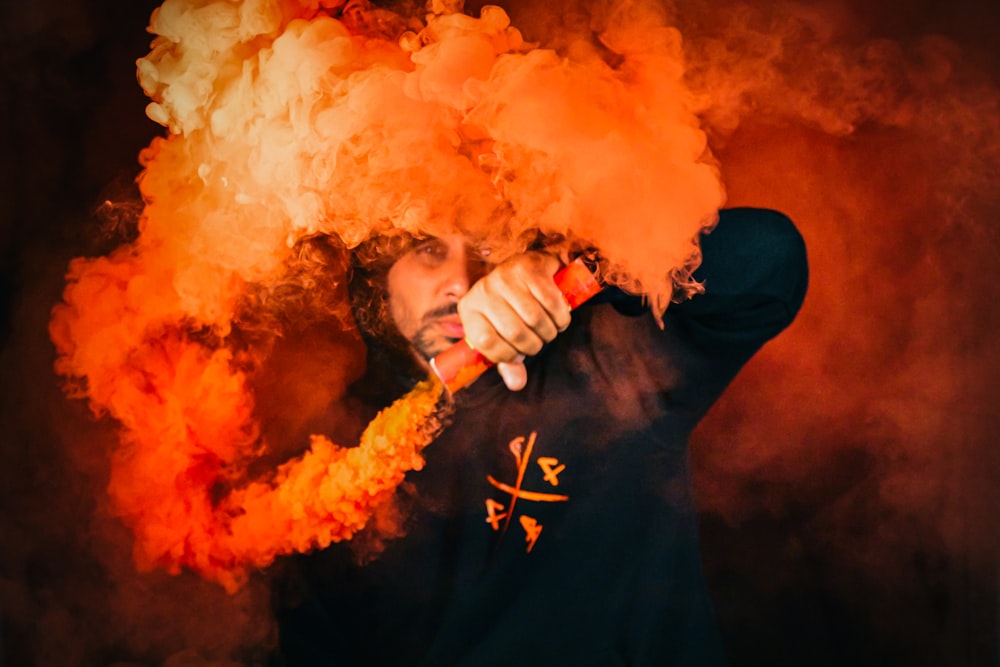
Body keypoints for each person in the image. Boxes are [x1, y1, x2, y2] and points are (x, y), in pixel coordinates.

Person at [271, 206, 809, 666]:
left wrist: (589, 274)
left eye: (484, 248)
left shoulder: (610, 363)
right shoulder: (327, 460)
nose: (462, 279)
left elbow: (771, 256)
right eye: (429, 251)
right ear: (378, 277)